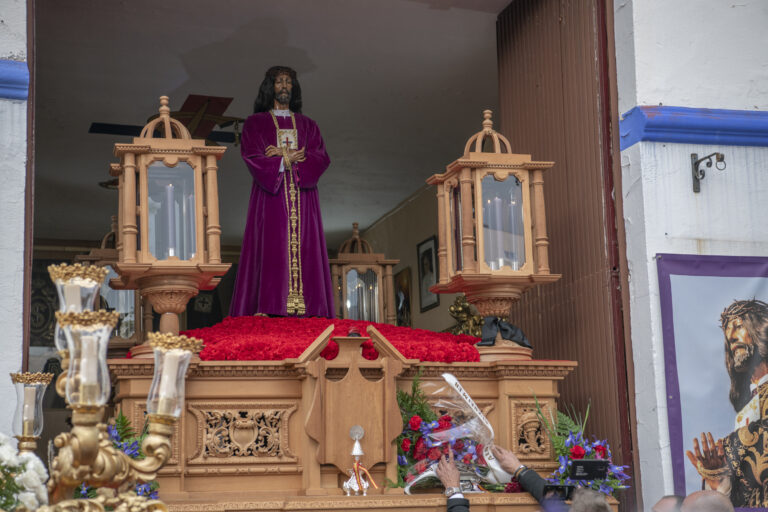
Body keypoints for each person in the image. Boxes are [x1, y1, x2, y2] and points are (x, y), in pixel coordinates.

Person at [230, 66, 334, 318]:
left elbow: (320, 157)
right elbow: (252, 155)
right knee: (271, 246)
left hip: (303, 198)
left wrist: (283, 154)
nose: (285, 86)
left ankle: (312, 310)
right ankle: (269, 307)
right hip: (271, 198)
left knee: (306, 246)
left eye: (288, 82)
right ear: (270, 87)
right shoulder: (256, 123)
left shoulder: (308, 125)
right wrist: (285, 160)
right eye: (279, 82)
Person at [686, 300, 768, 507]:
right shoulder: (749, 404)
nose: (731, 337)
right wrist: (722, 481)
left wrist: (729, 448)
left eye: (739, 326)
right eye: (727, 331)